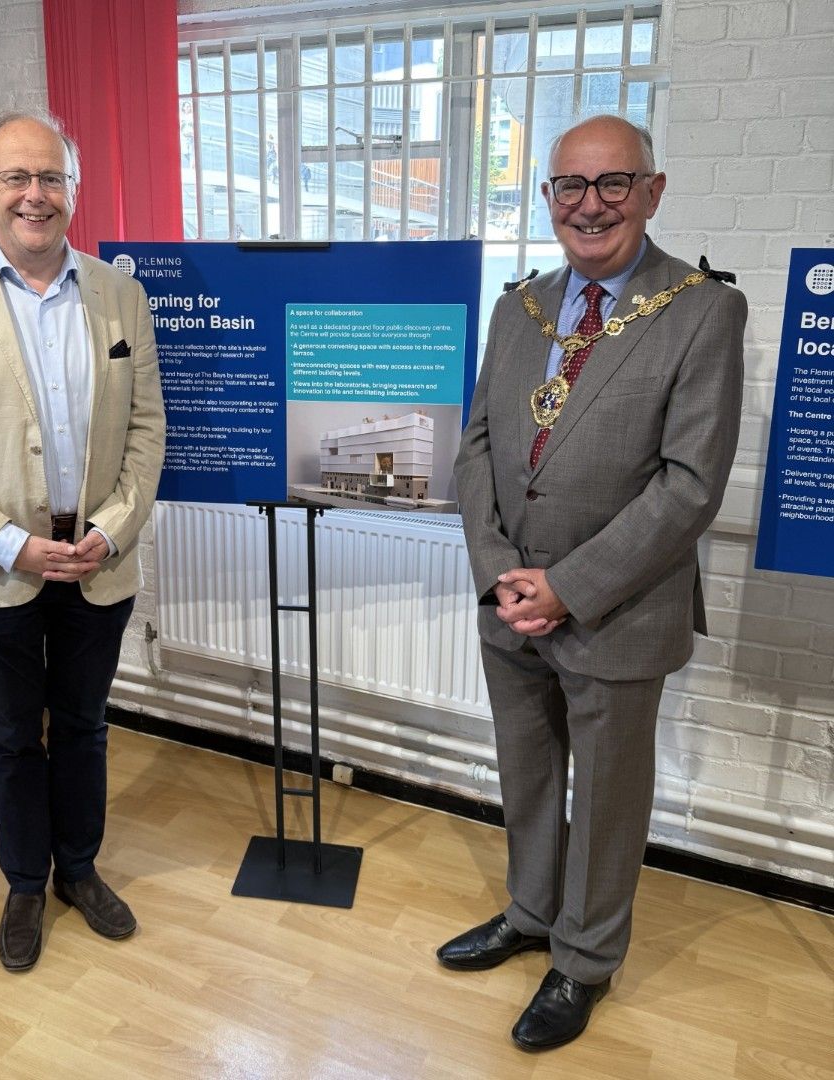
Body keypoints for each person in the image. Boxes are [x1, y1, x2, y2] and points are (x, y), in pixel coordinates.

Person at [443, 115, 746, 1050]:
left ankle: (584, 959)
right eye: (571, 186)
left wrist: (567, 586)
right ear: (547, 198)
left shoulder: (702, 310)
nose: (591, 205)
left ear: (653, 191)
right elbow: (477, 449)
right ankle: (533, 913)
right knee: (529, 774)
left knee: (609, 797)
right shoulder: (520, 307)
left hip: (618, 610)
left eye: (614, 183)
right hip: (510, 606)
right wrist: (500, 573)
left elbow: (690, 484)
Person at [0, 111, 165, 972]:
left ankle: (77, 869)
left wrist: (111, 530)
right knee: (13, 737)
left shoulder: (120, 294)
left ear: (73, 190)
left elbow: (147, 431)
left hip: (95, 562)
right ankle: (24, 884)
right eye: (15, 177)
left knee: (83, 726)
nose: (33, 195)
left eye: (50, 177)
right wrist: (11, 544)